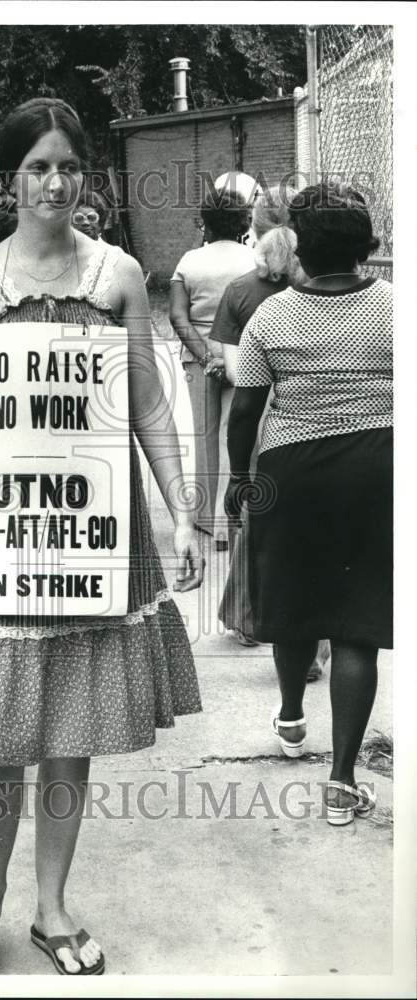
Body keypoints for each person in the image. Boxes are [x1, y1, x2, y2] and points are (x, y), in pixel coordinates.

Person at [0, 97, 204, 976]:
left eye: (68, 167)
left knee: (69, 728)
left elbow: (145, 403)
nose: (54, 182)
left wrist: (181, 509)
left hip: (95, 536)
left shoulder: (119, 275)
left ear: (89, 177)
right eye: (37, 167)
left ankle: (50, 904)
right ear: (8, 180)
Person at [225, 182, 392, 826]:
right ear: (367, 248)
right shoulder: (396, 309)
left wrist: (239, 477)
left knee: (293, 607)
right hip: (377, 470)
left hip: (290, 473)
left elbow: (245, 410)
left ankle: (292, 715)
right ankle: (343, 779)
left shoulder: (273, 316)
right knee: (357, 625)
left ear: (299, 246)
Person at [213, 188, 329, 675]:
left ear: (254, 232)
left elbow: (239, 377)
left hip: (262, 421)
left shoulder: (242, 291)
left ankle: (247, 619)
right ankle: (318, 641)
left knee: (258, 528)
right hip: (321, 422)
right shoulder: (322, 287)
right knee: (319, 537)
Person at [169, 189, 254, 547]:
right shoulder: (254, 260)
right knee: (236, 434)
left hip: (199, 358)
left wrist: (206, 357)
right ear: (243, 222)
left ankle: (206, 518)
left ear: (205, 220)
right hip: (244, 357)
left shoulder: (189, 260)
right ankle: (233, 519)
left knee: (203, 435)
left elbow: (177, 316)